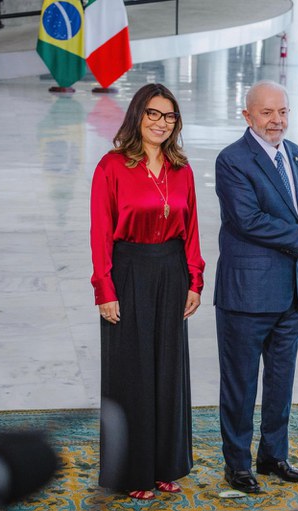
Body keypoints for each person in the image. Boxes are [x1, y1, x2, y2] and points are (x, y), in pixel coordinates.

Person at [90, 83, 205, 500]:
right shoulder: (112, 166)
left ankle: (165, 466)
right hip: (129, 271)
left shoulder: (182, 168)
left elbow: (191, 231)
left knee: (168, 371)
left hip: (171, 271)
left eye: (169, 116)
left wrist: (195, 279)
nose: (161, 123)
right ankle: (132, 470)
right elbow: (100, 232)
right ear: (137, 115)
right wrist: (104, 287)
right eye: (153, 114)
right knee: (132, 374)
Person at [214, 81, 298, 494]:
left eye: (283, 112)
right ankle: (238, 464)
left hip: (292, 291)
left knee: (281, 380)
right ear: (247, 116)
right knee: (240, 384)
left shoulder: (296, 154)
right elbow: (247, 220)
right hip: (247, 294)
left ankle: (273, 455)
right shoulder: (232, 160)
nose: (277, 120)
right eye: (267, 113)